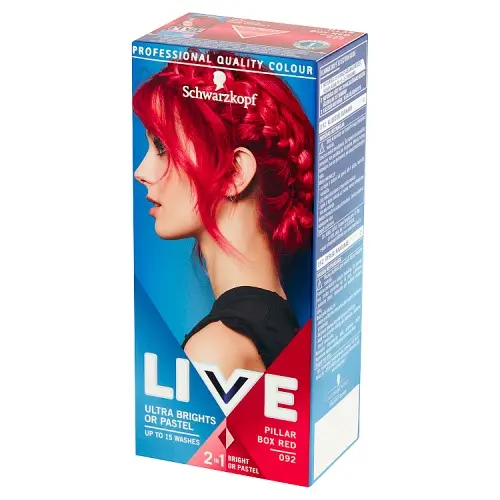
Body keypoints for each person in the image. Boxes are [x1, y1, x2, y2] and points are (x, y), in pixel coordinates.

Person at [133, 50, 314, 377]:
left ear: (234, 173)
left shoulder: (216, 351)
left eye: (162, 148)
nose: (140, 172)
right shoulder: (280, 330)